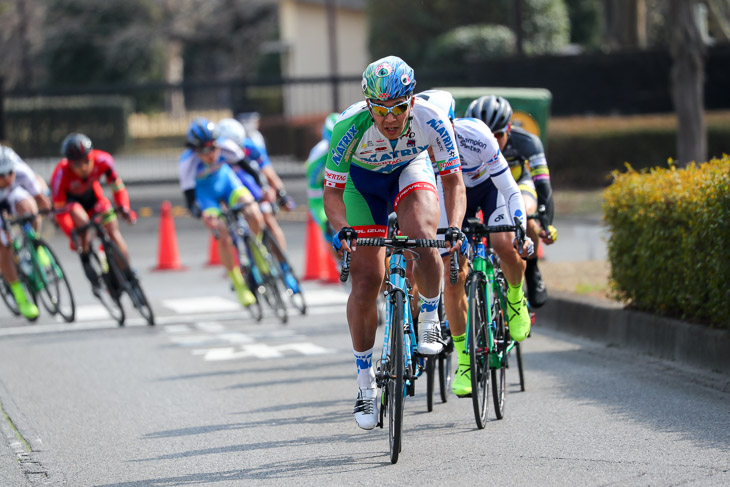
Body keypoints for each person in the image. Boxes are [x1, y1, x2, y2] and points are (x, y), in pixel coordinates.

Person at [323, 56, 466, 430]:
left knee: (423, 237)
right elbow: (332, 194)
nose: (390, 118)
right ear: (368, 104)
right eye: (381, 109)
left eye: (399, 108)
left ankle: (431, 315)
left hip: (409, 169)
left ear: (412, 102)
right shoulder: (348, 126)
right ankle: (365, 383)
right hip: (362, 185)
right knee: (367, 279)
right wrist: (343, 230)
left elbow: (453, 182)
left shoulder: (431, 119)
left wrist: (454, 227)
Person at [417, 90, 534, 397]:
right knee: (453, 277)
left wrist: (520, 228)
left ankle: (514, 297)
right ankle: (465, 361)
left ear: (452, 125)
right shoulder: (417, 147)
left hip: (488, 191)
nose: (431, 141)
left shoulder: (477, 136)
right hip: (450, 197)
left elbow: (510, 189)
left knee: (503, 244)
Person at [466, 96, 557, 308]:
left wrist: (546, 221)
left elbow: (542, 185)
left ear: (509, 128)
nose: (492, 141)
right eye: (486, 135)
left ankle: (532, 268)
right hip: (484, 189)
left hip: (517, 185)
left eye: (498, 134)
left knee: (524, 212)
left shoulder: (527, 142)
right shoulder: (465, 142)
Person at [178, 118, 264, 307]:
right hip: (205, 195)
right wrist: (203, 214)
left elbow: (252, 171)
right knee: (223, 234)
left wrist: (260, 191)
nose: (211, 154)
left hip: (227, 183)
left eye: (214, 147)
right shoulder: (187, 164)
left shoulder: (228, 147)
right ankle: (237, 282)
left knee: (253, 211)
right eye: (205, 150)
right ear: (194, 150)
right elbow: (191, 202)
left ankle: (258, 249)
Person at [217, 117, 299, 293]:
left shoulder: (251, 147)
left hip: (252, 186)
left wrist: (281, 194)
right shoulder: (218, 154)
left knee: (268, 220)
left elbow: (268, 173)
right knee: (229, 230)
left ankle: (285, 269)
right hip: (230, 191)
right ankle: (246, 268)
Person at [51, 133, 137, 296]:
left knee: (113, 232)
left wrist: (124, 208)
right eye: (77, 164)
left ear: (92, 156)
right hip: (73, 204)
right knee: (82, 222)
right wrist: (72, 234)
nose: (83, 167)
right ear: (69, 163)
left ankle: (128, 273)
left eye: (86, 161)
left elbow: (118, 188)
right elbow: (61, 213)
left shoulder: (103, 160)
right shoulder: (60, 175)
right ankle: (86, 260)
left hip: (94, 198)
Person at [0, 146, 52, 319]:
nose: (7, 178)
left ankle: (34, 246)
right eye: (1, 175)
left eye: (9, 172)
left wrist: (49, 213)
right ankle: (20, 296)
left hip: (13, 194)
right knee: (4, 246)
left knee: (30, 209)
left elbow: (40, 200)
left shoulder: (21, 172)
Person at [305, 113, 339, 245]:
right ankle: (339, 263)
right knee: (331, 229)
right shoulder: (317, 158)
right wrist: (325, 219)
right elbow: (315, 197)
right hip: (324, 197)